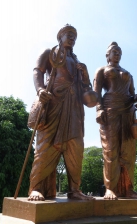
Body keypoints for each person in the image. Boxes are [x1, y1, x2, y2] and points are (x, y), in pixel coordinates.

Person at [28, 24, 95, 201]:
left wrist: (85, 74)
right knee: (45, 146)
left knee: (76, 146)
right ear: (60, 37)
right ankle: (36, 187)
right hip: (54, 102)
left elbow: (85, 88)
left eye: (74, 35)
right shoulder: (50, 52)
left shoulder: (77, 61)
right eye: (69, 34)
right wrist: (40, 89)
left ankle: (75, 190)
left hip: (74, 107)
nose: (72, 38)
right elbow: (38, 71)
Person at [93, 42, 137, 199]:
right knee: (111, 150)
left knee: (128, 152)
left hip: (128, 112)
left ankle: (128, 188)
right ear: (107, 55)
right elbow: (96, 92)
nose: (117, 54)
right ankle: (110, 188)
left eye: (119, 52)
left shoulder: (127, 73)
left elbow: (133, 93)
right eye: (114, 51)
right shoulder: (102, 70)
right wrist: (99, 109)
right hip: (110, 110)